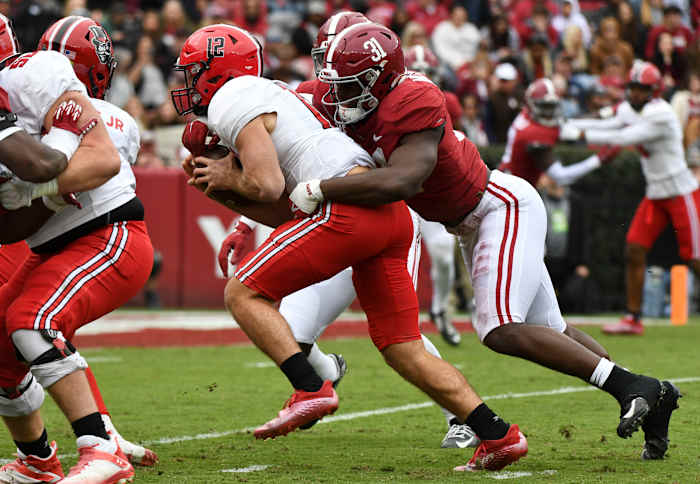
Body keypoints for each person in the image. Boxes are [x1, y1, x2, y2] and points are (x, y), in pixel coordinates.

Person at [290, 22, 679, 462]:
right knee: (552, 332)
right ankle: (651, 396)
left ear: (380, 79)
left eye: (352, 85)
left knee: (498, 328)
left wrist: (323, 188)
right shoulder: (351, 102)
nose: (341, 96)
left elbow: (405, 178)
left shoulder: (413, 100)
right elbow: (296, 103)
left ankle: (633, 387)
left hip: (499, 207)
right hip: (470, 223)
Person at [174, 24, 526, 471]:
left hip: (344, 206)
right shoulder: (271, 94)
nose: (185, 85)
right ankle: (499, 435)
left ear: (214, 71)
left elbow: (266, 185)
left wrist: (229, 178)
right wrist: (221, 191)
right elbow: (284, 212)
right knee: (403, 347)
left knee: (243, 293)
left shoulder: (232, 97)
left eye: (191, 73)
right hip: (386, 213)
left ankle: (311, 386)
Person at [0, 16, 155, 483]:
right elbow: (9, 229)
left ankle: (102, 449)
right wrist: (37, 197)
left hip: (108, 232)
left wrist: (31, 189)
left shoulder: (31, 74)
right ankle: (37, 461)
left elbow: (104, 160)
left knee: (34, 322)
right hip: (52, 245)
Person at [561, 61, 700, 343]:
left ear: (654, 91)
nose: (635, 94)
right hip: (655, 193)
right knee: (634, 249)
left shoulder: (661, 114)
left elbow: (622, 136)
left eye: (641, 89)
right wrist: (567, 123)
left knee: (694, 257)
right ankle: (633, 317)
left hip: (680, 191)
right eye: (633, 88)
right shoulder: (630, 108)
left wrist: (580, 133)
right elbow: (608, 122)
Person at [500, 78, 621, 188]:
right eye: (545, 107)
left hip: (512, 184)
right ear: (532, 105)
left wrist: (609, 113)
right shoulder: (532, 134)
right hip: (510, 191)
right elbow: (561, 177)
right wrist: (598, 160)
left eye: (552, 106)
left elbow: (571, 124)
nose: (550, 112)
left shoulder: (527, 116)